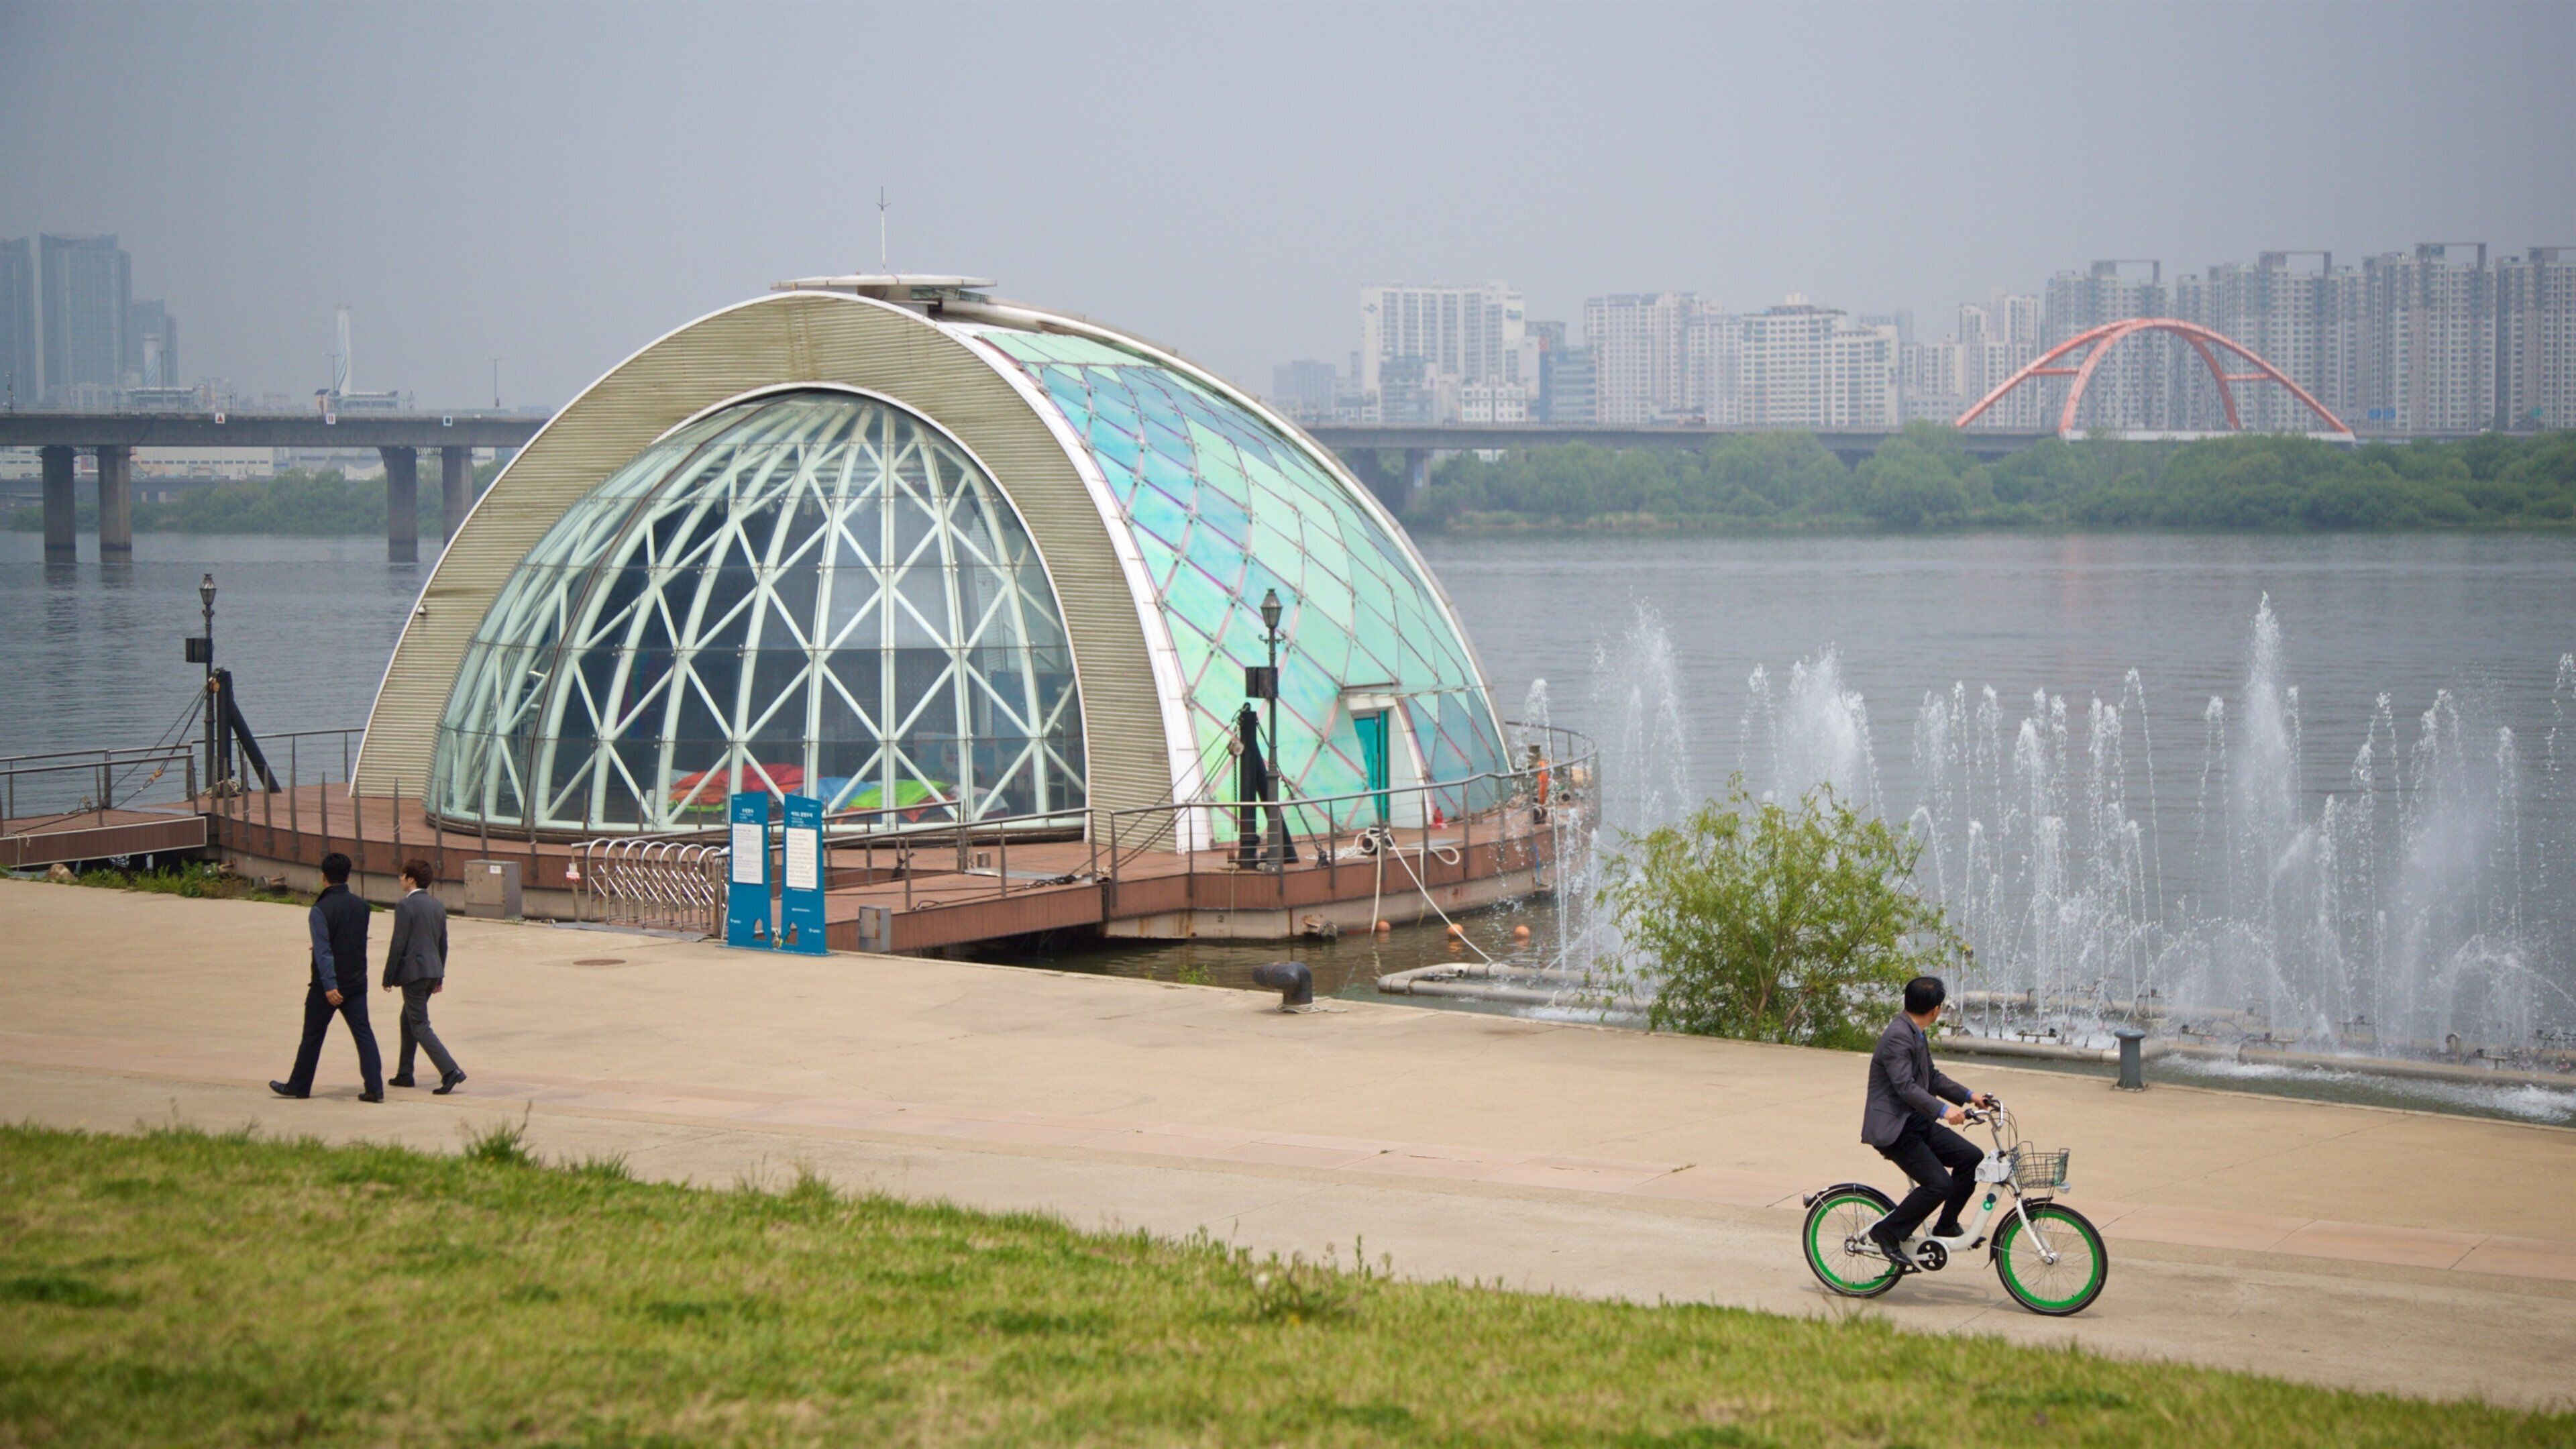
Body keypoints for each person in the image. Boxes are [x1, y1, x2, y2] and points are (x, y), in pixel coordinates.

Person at [1860, 974, 1995, 1269]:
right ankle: (1887, 1232)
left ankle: (1946, 1225)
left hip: (1915, 1122)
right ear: (1935, 1009)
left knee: (1970, 1158)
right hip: (1895, 1129)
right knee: (1938, 1185)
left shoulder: (1915, 1032)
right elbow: (1905, 1086)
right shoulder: (1898, 1035)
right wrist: (1943, 1111)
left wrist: (1971, 1096)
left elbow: (1931, 1077)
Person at [270, 852, 384, 1102]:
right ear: (348, 877)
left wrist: (330, 986)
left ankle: (299, 1085)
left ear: (323, 878)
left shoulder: (319, 910)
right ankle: (375, 1088)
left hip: (327, 987)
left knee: (312, 1035)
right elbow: (353, 941)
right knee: (364, 1034)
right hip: (356, 982)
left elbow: (324, 951)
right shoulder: (362, 907)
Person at [382, 858, 465, 1094]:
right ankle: (405, 1073)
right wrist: (439, 977)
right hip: (432, 972)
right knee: (407, 1019)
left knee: (419, 1024)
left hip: (414, 974)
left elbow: (398, 945)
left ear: (411, 879)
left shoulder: (405, 906)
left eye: (402, 875)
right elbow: (443, 944)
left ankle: (450, 1071)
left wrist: (388, 977)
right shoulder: (437, 905)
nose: (400, 879)